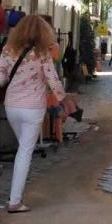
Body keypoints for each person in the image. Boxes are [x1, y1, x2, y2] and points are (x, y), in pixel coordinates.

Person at [0, 14, 66, 213]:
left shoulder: (8, 50)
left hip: (12, 107)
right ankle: (15, 201)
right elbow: (53, 80)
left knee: (22, 149)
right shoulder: (42, 53)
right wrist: (64, 101)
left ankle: (16, 195)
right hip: (33, 107)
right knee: (24, 152)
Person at [41, 16, 64, 144]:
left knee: (47, 114)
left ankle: (47, 136)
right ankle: (56, 138)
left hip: (42, 86)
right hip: (51, 85)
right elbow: (58, 66)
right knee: (55, 113)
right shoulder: (54, 46)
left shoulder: (43, 47)